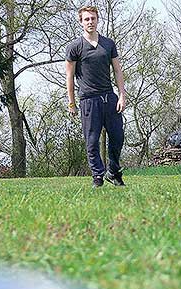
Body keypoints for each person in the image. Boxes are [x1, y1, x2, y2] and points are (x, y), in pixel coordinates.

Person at [66, 6, 126, 188]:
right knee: (91, 141)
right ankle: (97, 176)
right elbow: (69, 75)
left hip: (109, 97)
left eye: (93, 18)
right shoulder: (74, 47)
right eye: (86, 19)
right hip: (88, 99)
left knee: (118, 137)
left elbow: (117, 70)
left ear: (98, 20)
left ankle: (113, 172)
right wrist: (71, 102)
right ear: (81, 22)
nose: (90, 22)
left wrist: (122, 95)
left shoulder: (108, 43)